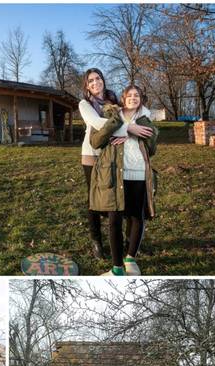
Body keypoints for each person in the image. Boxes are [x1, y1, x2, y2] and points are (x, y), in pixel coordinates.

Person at [89, 85, 158, 276]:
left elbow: (152, 149)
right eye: (130, 95)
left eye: (137, 95)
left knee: (137, 217)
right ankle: (117, 268)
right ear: (123, 98)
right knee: (114, 221)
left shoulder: (146, 119)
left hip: (139, 174)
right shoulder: (111, 116)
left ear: (141, 99)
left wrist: (130, 133)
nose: (133, 98)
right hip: (114, 174)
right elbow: (95, 141)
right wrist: (121, 127)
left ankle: (130, 259)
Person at [78, 68, 120, 260]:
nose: (95, 83)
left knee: (115, 197)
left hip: (112, 154)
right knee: (94, 200)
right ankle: (96, 241)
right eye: (91, 80)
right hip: (92, 155)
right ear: (87, 85)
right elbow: (96, 122)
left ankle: (119, 240)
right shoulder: (85, 104)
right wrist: (123, 125)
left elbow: (128, 116)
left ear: (103, 80)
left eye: (98, 79)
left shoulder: (114, 101)